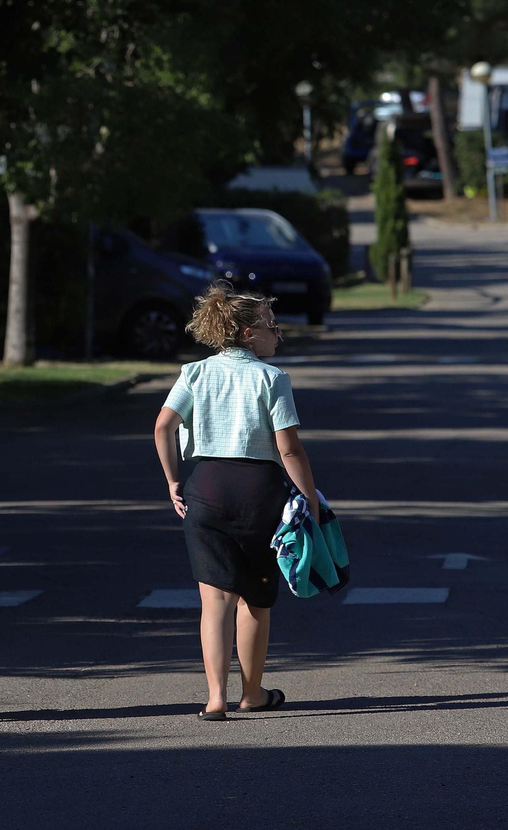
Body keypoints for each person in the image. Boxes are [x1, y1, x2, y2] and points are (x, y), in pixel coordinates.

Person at [153, 283, 317, 720]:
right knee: (255, 598)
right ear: (248, 333)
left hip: (205, 486)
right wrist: (309, 501)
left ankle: (215, 698)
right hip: (258, 491)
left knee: (214, 601)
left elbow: (163, 426)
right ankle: (252, 693)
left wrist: (173, 480)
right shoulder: (272, 379)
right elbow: (289, 450)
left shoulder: (194, 373)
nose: (277, 334)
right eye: (271, 326)